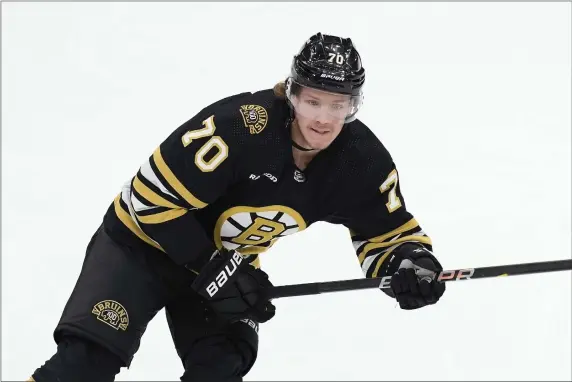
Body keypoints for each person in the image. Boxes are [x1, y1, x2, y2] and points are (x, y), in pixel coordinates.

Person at [28, 32, 446, 382]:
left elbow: (387, 233)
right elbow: (148, 199)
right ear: (292, 93)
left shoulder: (361, 160)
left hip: (226, 267)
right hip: (141, 251)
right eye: (314, 101)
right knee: (84, 366)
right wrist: (214, 267)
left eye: (339, 105)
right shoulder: (240, 128)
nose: (324, 118)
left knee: (221, 367)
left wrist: (408, 266)